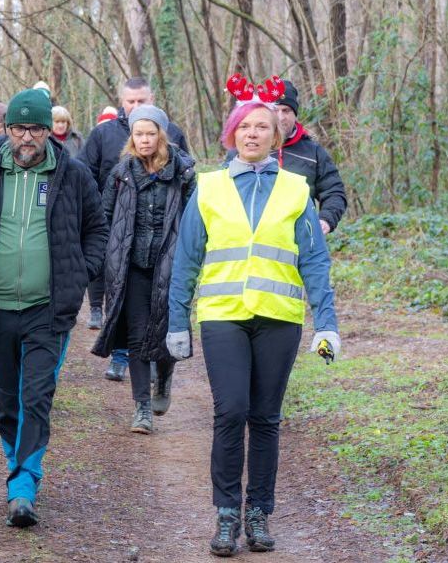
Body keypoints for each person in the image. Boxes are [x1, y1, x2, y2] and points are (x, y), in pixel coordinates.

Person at [167, 92, 340, 557]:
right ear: (231, 134)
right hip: (223, 317)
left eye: (262, 126)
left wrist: (326, 323)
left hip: (279, 319)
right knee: (231, 412)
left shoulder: (296, 190)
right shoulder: (208, 187)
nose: (252, 133)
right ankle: (226, 516)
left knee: (265, 419)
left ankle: (258, 514)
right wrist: (176, 319)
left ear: (275, 136)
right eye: (244, 126)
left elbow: (315, 261)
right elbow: (186, 258)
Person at [0, 89, 108, 528]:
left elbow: (97, 229)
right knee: (6, 399)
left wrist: (80, 270)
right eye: (18, 128)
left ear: (47, 131)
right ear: (6, 130)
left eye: (35, 128)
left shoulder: (71, 175)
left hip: (47, 308)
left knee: (37, 397)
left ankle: (22, 486)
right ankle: (18, 468)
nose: (26, 137)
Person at [92, 105, 196, 434]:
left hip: (171, 263)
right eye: (139, 133)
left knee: (166, 332)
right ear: (132, 136)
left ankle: (163, 379)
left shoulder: (184, 173)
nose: (145, 139)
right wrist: (105, 257)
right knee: (137, 337)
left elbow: (197, 220)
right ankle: (141, 408)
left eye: (151, 133)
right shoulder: (121, 173)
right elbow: (104, 217)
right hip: (131, 266)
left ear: (162, 135)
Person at [80, 76, 190, 381]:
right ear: (122, 101)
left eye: (143, 101)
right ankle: (119, 356)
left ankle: (158, 362)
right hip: (117, 229)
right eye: (131, 101)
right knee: (121, 299)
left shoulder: (172, 132)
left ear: (152, 99)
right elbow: (85, 173)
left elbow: (185, 177)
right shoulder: (103, 134)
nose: (136, 106)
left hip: (162, 235)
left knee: (158, 305)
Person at [224, 80, 347, 234]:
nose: (281, 117)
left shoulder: (313, 153)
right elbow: (224, 193)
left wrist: (325, 220)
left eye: (286, 110)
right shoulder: (245, 149)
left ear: (295, 114)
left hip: (300, 237)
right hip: (248, 236)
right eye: (275, 110)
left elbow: (334, 191)